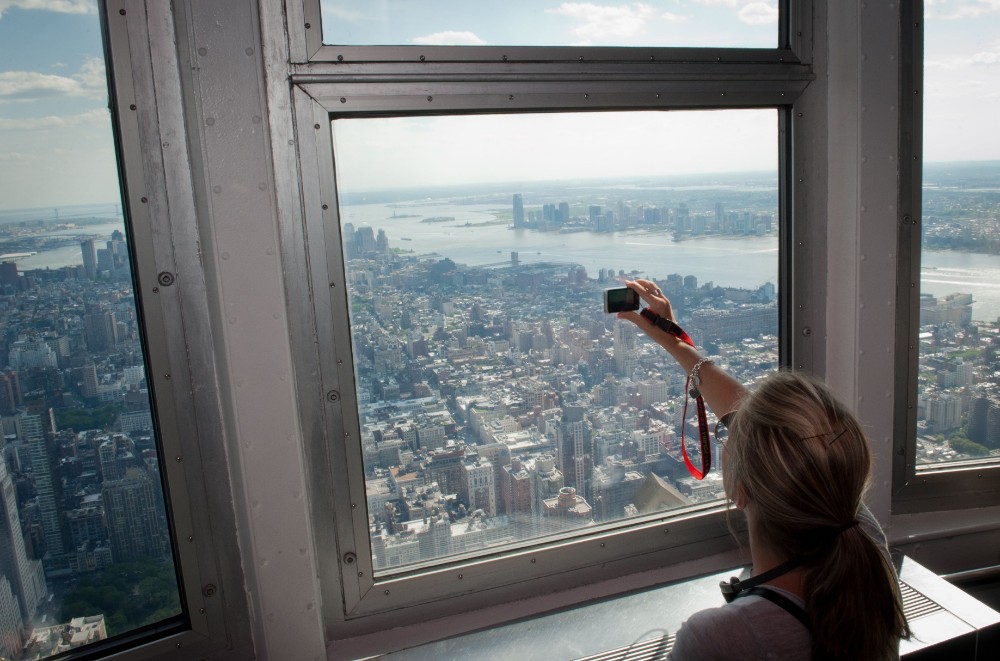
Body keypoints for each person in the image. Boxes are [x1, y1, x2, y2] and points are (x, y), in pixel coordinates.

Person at [618, 279, 910, 661]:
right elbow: (780, 435)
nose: (731, 431)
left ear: (739, 489)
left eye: (730, 441)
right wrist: (677, 343)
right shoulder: (863, 539)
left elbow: (770, 431)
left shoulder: (721, 638)